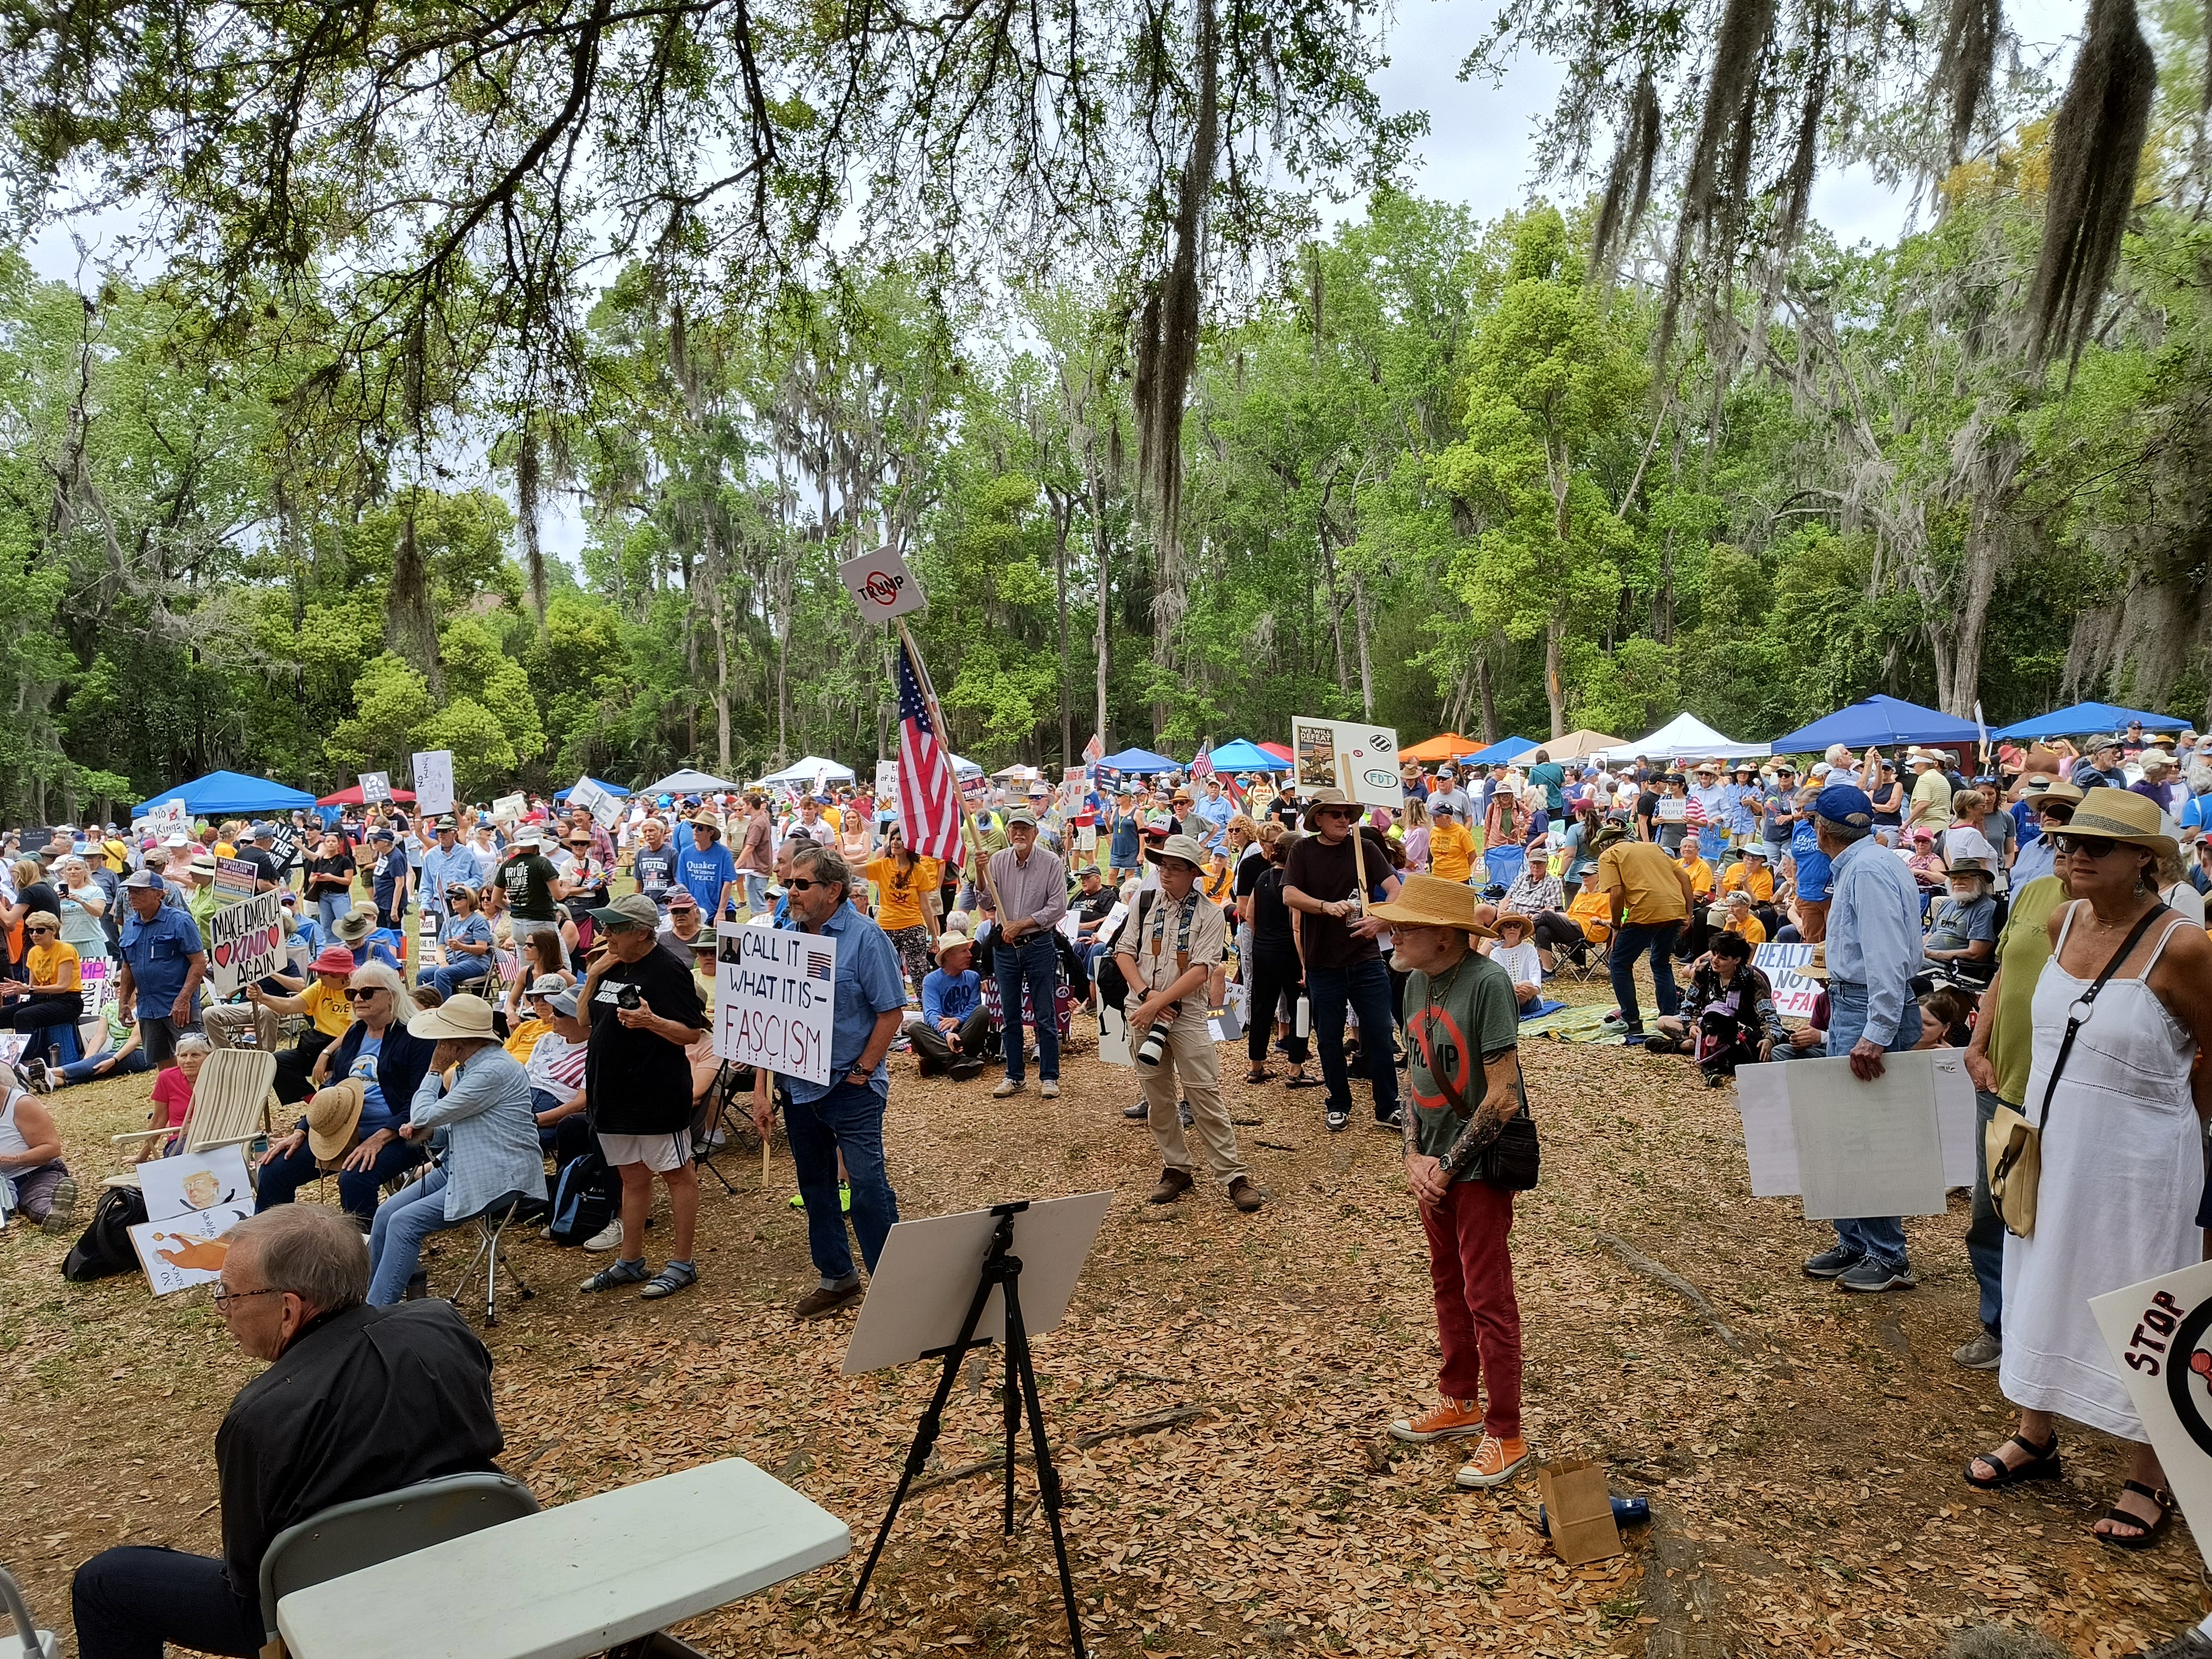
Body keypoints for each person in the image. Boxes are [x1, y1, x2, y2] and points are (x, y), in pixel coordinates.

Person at [69, 1205, 504, 1659]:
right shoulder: (444, 1327)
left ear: (289, 1310)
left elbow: (249, 1586)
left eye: (229, 1294)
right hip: (464, 1559)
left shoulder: (260, 1416)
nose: (222, 1310)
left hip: (330, 1607)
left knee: (105, 1582)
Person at [1963, 788, 2212, 1552]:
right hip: (2050, 1141)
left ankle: (2150, 1473)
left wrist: (2183, 1127)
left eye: (2096, 846)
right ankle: (2035, 1434)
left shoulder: (2184, 946)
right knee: (2043, 1276)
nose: (2073, 854)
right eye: (2067, 842)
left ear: (2144, 860)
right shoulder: (2060, 920)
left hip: (2140, 1158)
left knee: (2144, 1297)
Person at [1373, 874, 1527, 1487]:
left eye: (1405, 926)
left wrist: (1446, 1165)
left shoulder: (1487, 983)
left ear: (1443, 935)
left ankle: (1506, 1432)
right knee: (1447, 1284)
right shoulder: (1414, 981)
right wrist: (1413, 1156)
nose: (1393, 933)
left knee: (1488, 1296)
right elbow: (1413, 1077)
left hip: (1478, 1167)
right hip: (1432, 1167)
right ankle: (1459, 1401)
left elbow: (1504, 1096)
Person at [748, 844, 908, 1317]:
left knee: (867, 1187)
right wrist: (761, 1090)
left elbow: (891, 1012)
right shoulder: (783, 936)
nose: (791, 892)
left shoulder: (866, 939)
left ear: (834, 890)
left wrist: (862, 1071)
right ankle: (837, 1277)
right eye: (789, 884)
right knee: (816, 1186)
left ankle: (895, 1289)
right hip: (797, 1088)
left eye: (802, 884)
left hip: (849, 1088)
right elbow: (768, 1017)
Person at [1801, 784, 1929, 1292]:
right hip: (1858, 1001)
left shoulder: (1868, 871)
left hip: (1867, 1005)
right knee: (1848, 1129)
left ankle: (1887, 1254)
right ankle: (1856, 1240)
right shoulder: (1871, 863)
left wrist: (1876, 1030)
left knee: (1867, 1134)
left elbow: (1886, 955)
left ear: (1821, 830)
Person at [365, 993, 543, 1305]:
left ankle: (376, 1311)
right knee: (386, 1214)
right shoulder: (469, 1068)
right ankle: (362, 1298)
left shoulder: (491, 1072)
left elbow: (422, 1114)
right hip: (461, 1166)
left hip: (497, 1176)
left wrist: (434, 1071)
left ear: (457, 1039)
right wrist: (429, 1133)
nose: (437, 1044)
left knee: (405, 1224)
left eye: (442, 1035)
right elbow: (449, 1129)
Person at [1117, 833, 1264, 1212]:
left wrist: (1158, 1003)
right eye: (1162, 866)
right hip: (1144, 1009)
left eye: (1175, 867)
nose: (1165, 873)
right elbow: (1123, 952)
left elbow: (1201, 971)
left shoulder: (1210, 915)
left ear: (1193, 874)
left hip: (1187, 1016)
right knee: (1158, 1098)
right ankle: (1176, 1167)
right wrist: (1147, 998)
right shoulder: (1143, 903)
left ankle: (1233, 1176)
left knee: (1204, 1094)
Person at [576, 892, 711, 1300]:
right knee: (631, 1177)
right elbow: (583, 1022)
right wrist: (593, 976)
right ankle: (630, 1260)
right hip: (610, 1095)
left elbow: (692, 1033)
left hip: (654, 1095)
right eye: (605, 927)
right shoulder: (612, 965)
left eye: (614, 928)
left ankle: (682, 1263)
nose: (606, 934)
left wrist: (651, 1021)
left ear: (640, 932)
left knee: (677, 1173)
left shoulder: (668, 970)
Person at [254, 964, 436, 1225]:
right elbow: (335, 1088)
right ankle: (272, 1240)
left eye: (367, 992)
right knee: (275, 1168)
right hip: (344, 1131)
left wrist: (380, 1138)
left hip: (404, 1133)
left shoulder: (415, 1037)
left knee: (355, 1177)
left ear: (392, 995)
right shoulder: (355, 1033)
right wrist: (303, 1129)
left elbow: (423, 1099)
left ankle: (367, 1247)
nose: (358, 999)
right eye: (352, 994)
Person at [1283, 789, 1403, 1133]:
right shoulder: (1302, 851)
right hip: (1323, 963)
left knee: (1380, 1033)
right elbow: (1289, 893)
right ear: (1318, 818)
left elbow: (1396, 889)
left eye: (1347, 814)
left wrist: (1381, 919)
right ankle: (1338, 1103)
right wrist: (1325, 906)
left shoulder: (1365, 849)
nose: (1343, 820)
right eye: (1335, 814)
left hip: (1366, 959)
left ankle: (1388, 1106)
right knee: (1330, 1038)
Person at [985, 807, 1067, 1100]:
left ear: (1035, 833)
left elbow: (1058, 908)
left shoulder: (1051, 862)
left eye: (1025, 829)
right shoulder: (997, 861)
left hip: (1038, 944)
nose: (1019, 833)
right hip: (1006, 949)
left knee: (1045, 1013)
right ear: (1008, 832)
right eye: (1015, 828)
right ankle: (1014, 1076)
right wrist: (981, 875)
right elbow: (986, 900)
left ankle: (1049, 1076)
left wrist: (1021, 924)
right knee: (1009, 1015)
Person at [1591, 823, 1692, 1042]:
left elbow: (1616, 893)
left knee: (1619, 962)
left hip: (1646, 910)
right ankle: (1669, 1016)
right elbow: (1684, 878)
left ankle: (1631, 1020)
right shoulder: (1652, 847)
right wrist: (1688, 912)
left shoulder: (1609, 855)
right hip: (1674, 908)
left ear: (1604, 844)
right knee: (1661, 962)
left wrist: (1616, 926)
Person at [1647, 932, 1785, 1083]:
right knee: (1663, 1022)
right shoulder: (1703, 971)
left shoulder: (1753, 978)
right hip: (1708, 1026)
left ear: (1737, 960)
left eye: (1723, 958)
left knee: (1765, 1049)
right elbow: (1690, 1003)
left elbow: (1768, 1014)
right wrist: (1690, 1026)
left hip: (1741, 1032)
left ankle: (1684, 1046)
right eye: (1714, 953)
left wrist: (1769, 1038)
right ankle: (1702, 1046)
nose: (1715, 960)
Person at [1242, 822, 1313, 1088]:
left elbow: (1250, 915)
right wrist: (1304, 963)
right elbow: (1297, 926)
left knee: (1261, 1008)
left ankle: (1256, 1066)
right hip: (1290, 953)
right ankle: (1295, 1069)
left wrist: (1262, 938)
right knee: (1300, 1010)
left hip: (1263, 950)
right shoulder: (1296, 883)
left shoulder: (1262, 877)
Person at [114, 867, 206, 1065]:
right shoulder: (130, 925)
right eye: (130, 891)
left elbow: (199, 962)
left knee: (195, 1059)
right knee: (163, 1064)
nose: (132, 896)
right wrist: (124, 1003)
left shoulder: (180, 921)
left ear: (159, 894)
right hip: (148, 1008)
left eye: (139, 891)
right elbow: (128, 966)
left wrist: (184, 999)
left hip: (178, 1006)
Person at [867, 828, 940, 1003]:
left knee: (919, 972)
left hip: (913, 926)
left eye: (900, 839)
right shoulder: (882, 866)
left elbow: (926, 907)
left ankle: (928, 1009)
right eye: (893, 839)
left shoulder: (919, 871)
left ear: (909, 845)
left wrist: (934, 936)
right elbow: (854, 870)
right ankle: (891, 1009)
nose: (895, 842)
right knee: (887, 973)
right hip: (887, 927)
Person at [906, 932, 989, 1080]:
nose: (970, 955)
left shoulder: (973, 977)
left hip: (965, 1037)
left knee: (982, 1011)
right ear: (949, 956)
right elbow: (931, 1014)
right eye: (964, 951)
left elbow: (974, 1007)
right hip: (942, 1037)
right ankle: (958, 1060)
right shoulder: (931, 980)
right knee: (915, 1028)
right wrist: (947, 1035)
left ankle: (941, 1061)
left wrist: (958, 1020)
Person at [1, 911, 83, 1059]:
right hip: (41, 1000)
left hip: (67, 1001)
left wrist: (29, 989)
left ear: (53, 931)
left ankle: (27, 1062)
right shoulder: (33, 952)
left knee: (24, 1016)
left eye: (40, 930)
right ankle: (8, 1059)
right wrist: (18, 989)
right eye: (31, 931)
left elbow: (62, 987)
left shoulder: (66, 950)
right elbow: (33, 987)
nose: (34, 935)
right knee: (4, 1014)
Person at [0, 1077, 77, 1231]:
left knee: (38, 1200)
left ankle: (54, 1212)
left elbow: (52, 1148)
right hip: (4, 1184)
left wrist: (10, 1159)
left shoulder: (21, 1104)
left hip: (34, 1174)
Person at [1924, 858, 2000, 987]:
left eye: (1964, 878)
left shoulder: (1986, 909)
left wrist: (1930, 954)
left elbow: (1975, 954)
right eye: (1954, 879)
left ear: (1980, 880)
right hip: (1929, 959)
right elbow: (1930, 934)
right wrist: (1915, 948)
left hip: (1952, 969)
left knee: (1903, 964)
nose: (1957, 883)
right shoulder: (1948, 903)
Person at [492, 830, 565, 953]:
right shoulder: (542, 862)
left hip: (517, 924)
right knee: (558, 960)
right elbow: (559, 895)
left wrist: (513, 908)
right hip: (541, 921)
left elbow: (495, 900)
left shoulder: (507, 865)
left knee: (525, 963)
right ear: (537, 847)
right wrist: (567, 887)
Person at [418, 882, 495, 999]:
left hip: (475, 962)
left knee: (442, 974)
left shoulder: (478, 921)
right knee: (422, 975)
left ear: (469, 900)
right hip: (452, 963)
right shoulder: (449, 922)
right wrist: (443, 962)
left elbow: (482, 949)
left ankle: (444, 1007)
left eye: (458, 897)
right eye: (452, 898)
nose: (454, 900)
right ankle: (425, 1006)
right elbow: (440, 949)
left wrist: (461, 947)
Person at [676, 813, 740, 921]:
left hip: (722, 909)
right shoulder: (685, 854)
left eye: (700, 828)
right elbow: (682, 884)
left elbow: (728, 883)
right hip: (695, 910)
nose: (695, 830)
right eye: (694, 826)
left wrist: (721, 912)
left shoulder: (723, 853)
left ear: (711, 833)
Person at [1487, 914, 1545, 1011]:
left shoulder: (1529, 949)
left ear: (1521, 930)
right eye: (1508, 925)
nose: (1512, 929)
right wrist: (1513, 990)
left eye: (1516, 925)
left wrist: (1532, 990)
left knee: (1526, 984)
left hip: (1530, 998)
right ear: (1502, 930)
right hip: (1507, 996)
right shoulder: (1496, 953)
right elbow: (1500, 979)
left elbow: (1535, 975)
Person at [304, 830, 358, 932]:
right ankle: (330, 941)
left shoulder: (345, 860)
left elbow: (348, 881)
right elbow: (311, 879)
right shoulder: (319, 861)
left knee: (344, 924)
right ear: (324, 844)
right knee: (326, 926)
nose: (331, 843)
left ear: (338, 844)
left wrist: (332, 878)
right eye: (328, 842)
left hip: (339, 896)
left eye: (333, 841)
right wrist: (317, 878)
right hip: (323, 896)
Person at [365, 828, 410, 931]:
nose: (373, 843)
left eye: (376, 841)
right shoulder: (383, 853)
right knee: (380, 932)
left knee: (393, 934)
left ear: (386, 843)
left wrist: (394, 909)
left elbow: (400, 883)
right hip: (381, 901)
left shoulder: (396, 858)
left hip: (390, 904)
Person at [1427, 801, 1478, 884]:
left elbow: (1473, 855)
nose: (1434, 819)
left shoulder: (1462, 832)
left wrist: (1461, 868)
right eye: (1433, 816)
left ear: (1447, 818)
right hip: (1438, 877)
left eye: (1437, 816)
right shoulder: (1433, 831)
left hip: (1459, 879)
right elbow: (1431, 853)